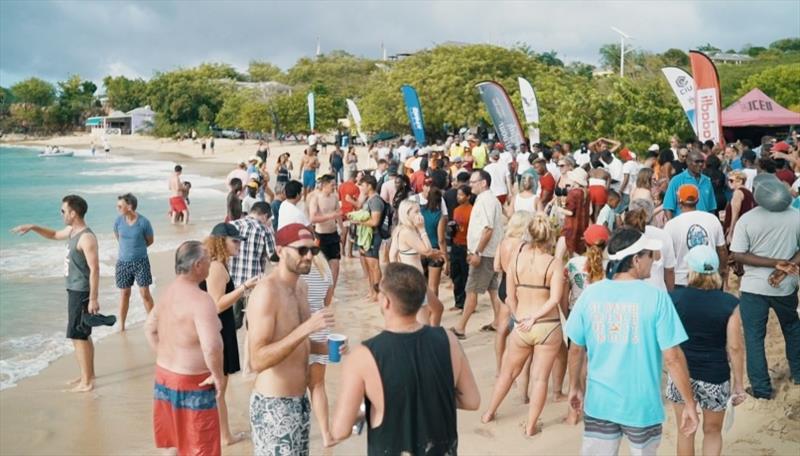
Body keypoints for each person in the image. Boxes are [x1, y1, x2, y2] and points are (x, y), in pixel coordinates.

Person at [566, 228, 699, 456]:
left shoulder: (590, 294)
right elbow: (673, 357)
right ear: (636, 260)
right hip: (641, 404)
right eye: (650, 255)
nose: (654, 260)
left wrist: (575, 387)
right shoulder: (656, 298)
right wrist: (689, 402)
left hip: (600, 402)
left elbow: (576, 348)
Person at [329, 263, 480, 453]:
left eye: (379, 289)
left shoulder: (363, 355)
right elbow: (471, 401)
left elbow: (340, 430)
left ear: (386, 302)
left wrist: (364, 406)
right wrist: (429, 396)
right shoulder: (448, 340)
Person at [247, 223, 335, 455]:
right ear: (280, 250)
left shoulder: (301, 287)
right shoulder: (267, 292)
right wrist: (306, 328)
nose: (309, 256)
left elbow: (299, 343)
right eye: (301, 250)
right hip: (274, 405)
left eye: (313, 251)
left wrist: (324, 347)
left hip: (300, 402)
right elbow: (257, 360)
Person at [482, 214, 564, 436]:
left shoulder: (516, 260)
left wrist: (520, 317)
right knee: (540, 378)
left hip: (521, 324)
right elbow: (555, 299)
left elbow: (509, 296)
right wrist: (535, 318)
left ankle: (489, 412)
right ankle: (530, 426)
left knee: (507, 373)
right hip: (546, 324)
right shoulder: (554, 263)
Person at [12, 195, 102, 392]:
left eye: (63, 211)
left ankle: (86, 382)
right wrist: (33, 226)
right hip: (74, 290)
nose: (61, 214)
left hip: (81, 292)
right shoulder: (72, 231)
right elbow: (53, 235)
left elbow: (95, 269)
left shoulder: (86, 237)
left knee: (78, 336)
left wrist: (93, 298)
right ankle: (88, 375)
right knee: (83, 334)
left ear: (73, 213)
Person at [144, 241, 224, 455]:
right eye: (209, 258)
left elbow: (149, 329)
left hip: (164, 377)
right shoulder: (201, 300)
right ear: (198, 265)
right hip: (192, 383)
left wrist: (166, 357)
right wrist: (218, 375)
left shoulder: (167, 292)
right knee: (201, 447)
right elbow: (211, 346)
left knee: (173, 443)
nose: (211, 262)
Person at [666, 245, 746, 456]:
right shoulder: (729, 303)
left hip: (681, 374)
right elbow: (735, 347)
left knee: (686, 430)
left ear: (690, 270)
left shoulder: (674, 299)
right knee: (712, 431)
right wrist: (739, 383)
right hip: (715, 375)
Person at [729, 175, 800, 399]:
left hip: (754, 287)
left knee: (754, 337)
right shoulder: (796, 216)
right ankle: (798, 374)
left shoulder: (747, 220)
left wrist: (771, 264)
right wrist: (782, 268)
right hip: (785, 285)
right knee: (792, 329)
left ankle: (761, 389)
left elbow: (738, 254)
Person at [200, 224, 259, 446]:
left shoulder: (216, 264)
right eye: (235, 241)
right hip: (217, 329)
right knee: (219, 387)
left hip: (216, 328)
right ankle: (224, 436)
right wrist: (244, 287)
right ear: (221, 241)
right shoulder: (216, 267)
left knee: (218, 386)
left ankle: (219, 434)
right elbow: (216, 305)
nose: (239, 246)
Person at [451, 170, 505, 339]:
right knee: (493, 289)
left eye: (474, 181)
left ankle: (460, 327)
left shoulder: (486, 201)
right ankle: (498, 322)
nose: (470, 185)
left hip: (485, 253)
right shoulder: (485, 200)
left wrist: (477, 252)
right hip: (489, 252)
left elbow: (487, 229)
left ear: (483, 183)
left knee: (472, 289)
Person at [389, 199, 447, 326]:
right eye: (416, 212)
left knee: (438, 308)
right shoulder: (407, 232)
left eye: (419, 211)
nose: (420, 215)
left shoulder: (399, 229)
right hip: (414, 281)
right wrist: (422, 229)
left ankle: (433, 338)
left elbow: (392, 255)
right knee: (422, 322)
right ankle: (426, 342)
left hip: (412, 279)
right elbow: (426, 250)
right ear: (407, 214)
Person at [664, 184, 727, 288]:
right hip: (709, 278)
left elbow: (667, 256)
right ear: (697, 200)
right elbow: (722, 249)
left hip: (682, 280)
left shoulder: (671, 225)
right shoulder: (712, 219)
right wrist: (722, 272)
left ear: (680, 202)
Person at [303, 252, 336, 447]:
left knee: (296, 386)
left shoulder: (297, 271)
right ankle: (326, 435)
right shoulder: (325, 268)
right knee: (318, 385)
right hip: (322, 327)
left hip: (300, 327)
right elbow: (327, 300)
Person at [229, 202, 276, 328]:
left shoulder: (232, 225)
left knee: (231, 325)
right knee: (254, 326)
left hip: (231, 285)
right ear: (265, 216)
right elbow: (274, 259)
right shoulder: (265, 230)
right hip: (253, 285)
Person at [113, 193, 155, 331]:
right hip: (123, 263)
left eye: (120, 205)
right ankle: (122, 325)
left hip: (141, 262)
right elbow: (118, 237)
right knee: (124, 294)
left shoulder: (144, 222)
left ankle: (153, 322)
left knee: (145, 294)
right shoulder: (118, 221)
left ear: (129, 206)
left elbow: (150, 241)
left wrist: (137, 250)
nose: (117, 207)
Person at [308, 174, 343, 287]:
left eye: (335, 184)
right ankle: (322, 290)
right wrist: (329, 216)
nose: (334, 187)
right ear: (324, 185)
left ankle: (331, 292)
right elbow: (313, 218)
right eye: (332, 185)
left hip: (333, 234)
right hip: (320, 236)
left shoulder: (335, 197)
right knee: (321, 267)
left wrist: (341, 230)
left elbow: (338, 214)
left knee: (336, 265)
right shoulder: (315, 198)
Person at [356, 174, 385, 301]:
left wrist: (358, 222)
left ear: (369, 186)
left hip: (374, 236)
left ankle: (378, 293)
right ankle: (372, 291)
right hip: (367, 237)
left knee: (374, 266)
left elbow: (375, 221)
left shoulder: (376, 201)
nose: (361, 188)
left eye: (362, 185)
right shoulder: (369, 199)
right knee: (369, 266)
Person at [663, 150, 717, 218]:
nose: (700, 164)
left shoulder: (707, 181)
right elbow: (668, 207)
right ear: (688, 162)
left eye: (702, 161)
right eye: (697, 161)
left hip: (703, 224)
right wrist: (672, 225)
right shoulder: (676, 180)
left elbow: (711, 208)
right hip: (683, 225)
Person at [449, 185, 473, 311]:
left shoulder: (472, 210)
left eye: (461, 195)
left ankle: (468, 304)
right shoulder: (456, 210)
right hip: (456, 243)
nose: (459, 197)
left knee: (465, 275)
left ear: (468, 196)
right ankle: (459, 302)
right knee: (455, 274)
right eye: (458, 195)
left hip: (466, 246)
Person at [560, 168, 590, 256]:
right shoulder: (586, 192)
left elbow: (570, 212)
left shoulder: (573, 193)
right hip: (582, 227)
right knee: (578, 251)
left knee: (566, 253)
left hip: (571, 226)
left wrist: (560, 209)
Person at [722, 170, 755, 244]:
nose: (729, 183)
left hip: (738, 231)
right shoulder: (749, 193)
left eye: (731, 180)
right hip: (746, 229)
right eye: (728, 180)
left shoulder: (738, 193)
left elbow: (735, 216)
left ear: (739, 181)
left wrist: (731, 233)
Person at [338, 171, 361, 258]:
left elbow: (339, 199)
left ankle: (342, 251)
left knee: (344, 232)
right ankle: (349, 253)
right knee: (352, 233)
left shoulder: (341, 186)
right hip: (352, 213)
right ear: (355, 178)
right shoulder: (355, 188)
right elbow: (357, 201)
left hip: (343, 212)